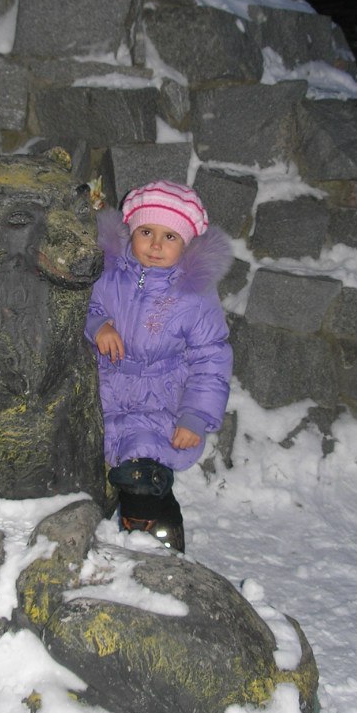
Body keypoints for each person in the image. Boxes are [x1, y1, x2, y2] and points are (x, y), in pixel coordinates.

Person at [85, 180, 233, 552]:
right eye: (146, 232)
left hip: (161, 400)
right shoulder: (108, 273)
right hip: (103, 391)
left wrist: (195, 415)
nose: (155, 245)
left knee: (141, 478)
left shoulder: (194, 295)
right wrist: (97, 325)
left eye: (170, 237)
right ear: (130, 231)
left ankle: (162, 546)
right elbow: (82, 306)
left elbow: (211, 357)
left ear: (185, 244)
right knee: (94, 477)